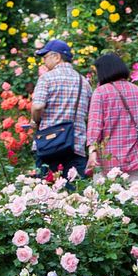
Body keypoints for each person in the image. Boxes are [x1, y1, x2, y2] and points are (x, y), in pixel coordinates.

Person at [87, 53, 138, 183]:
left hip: (107, 163)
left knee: (106, 201)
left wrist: (92, 151)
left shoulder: (100, 93)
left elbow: (95, 125)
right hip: (136, 161)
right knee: (136, 201)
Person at [31, 39, 93, 179]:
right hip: (75, 145)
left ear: (57, 57)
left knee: (46, 193)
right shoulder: (83, 82)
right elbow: (90, 114)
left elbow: (38, 106)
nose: (44, 62)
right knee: (75, 195)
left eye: (45, 57)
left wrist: (35, 121)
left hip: (49, 144)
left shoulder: (46, 78)